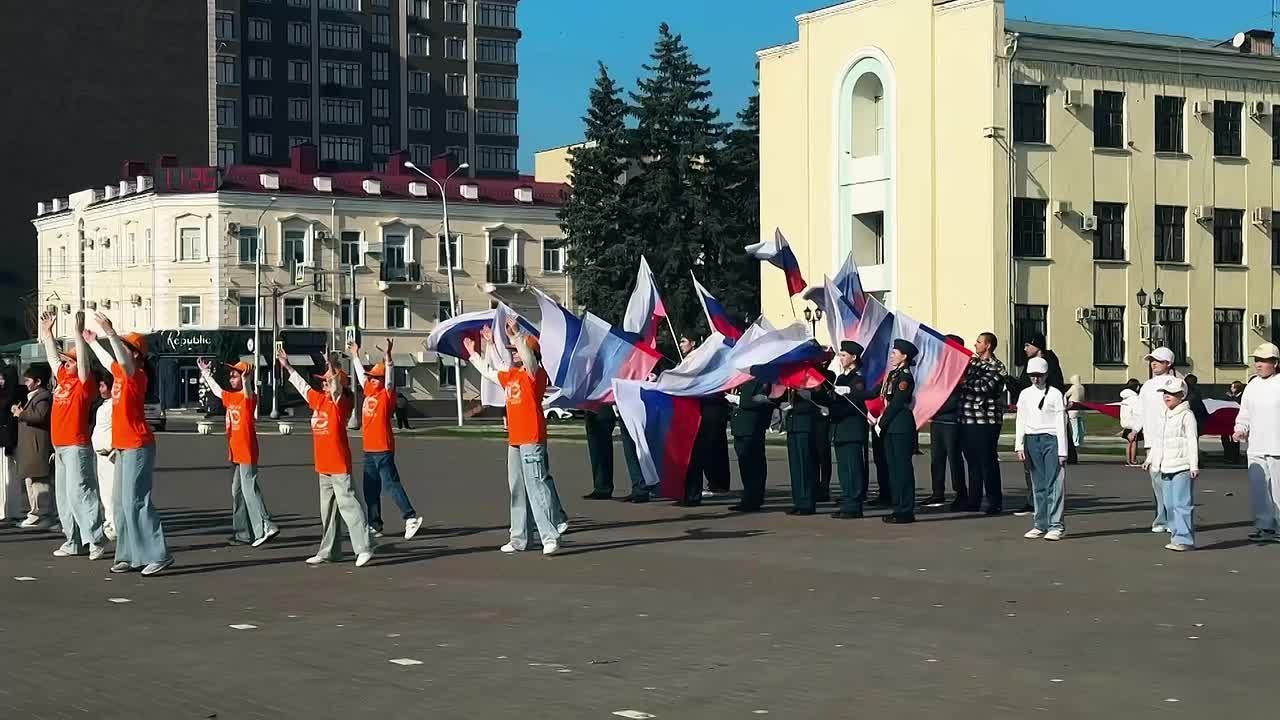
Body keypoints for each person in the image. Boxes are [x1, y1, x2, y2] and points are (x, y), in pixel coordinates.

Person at [87, 312, 173, 576]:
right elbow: (110, 360)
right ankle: (127, 555)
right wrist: (92, 341)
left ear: (136, 354)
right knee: (120, 503)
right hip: (122, 446)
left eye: (126, 347)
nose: (121, 351)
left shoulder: (137, 376)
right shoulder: (120, 375)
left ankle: (158, 554)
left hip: (138, 444)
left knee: (137, 501)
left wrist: (110, 333)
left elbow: (121, 359)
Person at [463, 326, 563, 555]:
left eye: (517, 351)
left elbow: (528, 358)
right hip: (515, 440)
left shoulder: (535, 373)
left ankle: (550, 536)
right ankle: (519, 538)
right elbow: (490, 370)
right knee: (517, 488)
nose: (514, 353)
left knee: (536, 485)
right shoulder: (512, 376)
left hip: (532, 437)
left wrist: (517, 336)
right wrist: (477, 351)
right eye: (513, 351)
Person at [278, 348, 374, 567]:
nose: (323, 384)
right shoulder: (319, 401)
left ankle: (364, 547)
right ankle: (330, 551)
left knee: (349, 506)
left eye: (327, 381)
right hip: (323, 465)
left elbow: (338, 389)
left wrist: (332, 367)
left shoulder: (340, 404)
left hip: (339, 464)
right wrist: (288, 366)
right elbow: (303, 387)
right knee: (327, 512)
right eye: (322, 382)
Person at [41, 311, 106, 559]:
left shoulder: (83, 383)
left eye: (68, 361)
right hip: (59, 446)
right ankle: (73, 541)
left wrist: (78, 335)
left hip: (77, 446)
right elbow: (51, 358)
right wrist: (48, 334)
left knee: (81, 493)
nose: (64, 363)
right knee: (65, 497)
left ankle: (96, 540)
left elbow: (83, 364)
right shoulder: (62, 381)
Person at [198, 357, 280, 548]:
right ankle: (243, 533)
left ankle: (266, 526)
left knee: (249, 488)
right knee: (237, 492)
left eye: (234, 375)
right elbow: (218, 391)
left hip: (246, 451)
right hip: (234, 452)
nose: (231, 378)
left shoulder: (248, 398)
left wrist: (246, 380)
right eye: (231, 375)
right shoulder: (231, 397)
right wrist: (206, 374)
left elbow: (249, 392)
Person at [349, 339, 423, 541]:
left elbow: (390, 378)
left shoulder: (386, 395)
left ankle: (410, 517)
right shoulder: (368, 391)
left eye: (374, 378)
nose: (371, 379)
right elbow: (358, 372)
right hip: (368, 450)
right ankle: (375, 524)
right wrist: (355, 354)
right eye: (370, 377)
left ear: (381, 381)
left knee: (390, 484)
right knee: (370, 488)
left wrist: (388, 357)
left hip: (383, 448)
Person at [1014, 333, 1071, 511]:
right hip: (1032, 430)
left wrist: (1063, 450)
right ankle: (1035, 506)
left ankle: (1054, 519)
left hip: (1049, 430)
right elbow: (1021, 410)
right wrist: (1019, 443)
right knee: (1033, 473)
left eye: (1027, 345)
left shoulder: (1051, 365)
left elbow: (1057, 390)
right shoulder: (1027, 373)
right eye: (1033, 375)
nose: (1024, 349)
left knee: (1052, 475)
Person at [1232, 343, 1280, 544]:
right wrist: (1240, 428)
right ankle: (1264, 525)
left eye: (1264, 361)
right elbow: (1245, 413)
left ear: (1275, 363)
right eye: (1257, 361)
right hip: (1256, 446)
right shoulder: (1252, 385)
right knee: (1259, 488)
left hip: (1277, 445)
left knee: (1278, 490)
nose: (1259, 365)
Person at [1145, 376, 1199, 551]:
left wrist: (1194, 465)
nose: (1167, 396)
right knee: (1169, 504)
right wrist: (1150, 459)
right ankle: (1175, 535)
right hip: (1165, 466)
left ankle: (1184, 539)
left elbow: (1192, 441)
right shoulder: (1164, 414)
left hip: (1182, 466)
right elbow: (1158, 440)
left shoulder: (1187, 415)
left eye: (1172, 393)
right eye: (1165, 393)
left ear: (1182, 395)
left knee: (1181, 503)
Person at [829, 341, 878, 518]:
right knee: (843, 469)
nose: (841, 358)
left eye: (843, 355)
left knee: (853, 468)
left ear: (854, 357)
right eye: (840, 355)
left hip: (852, 428)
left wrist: (847, 392)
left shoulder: (858, 379)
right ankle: (847, 500)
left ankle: (854, 505)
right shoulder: (841, 378)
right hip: (840, 428)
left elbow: (856, 402)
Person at [959, 332, 1006, 514]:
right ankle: (974, 499)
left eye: (978, 342)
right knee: (972, 461)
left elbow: (984, 388)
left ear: (988, 345)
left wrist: (964, 381)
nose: (975, 344)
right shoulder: (972, 363)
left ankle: (994, 501)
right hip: (967, 418)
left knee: (987, 461)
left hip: (986, 420)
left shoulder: (997, 367)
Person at [1132, 347, 1178, 534]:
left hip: (1171, 439)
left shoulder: (1176, 383)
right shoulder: (1147, 386)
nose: (1153, 363)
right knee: (1157, 481)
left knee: (1171, 480)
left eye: (1158, 360)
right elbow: (1141, 410)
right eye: (1152, 360)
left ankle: (1173, 519)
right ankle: (1162, 518)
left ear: (1168, 363)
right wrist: (1135, 429)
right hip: (1152, 440)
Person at [924, 334, 965, 509]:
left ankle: (961, 493)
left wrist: (936, 407)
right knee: (937, 458)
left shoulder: (960, 369)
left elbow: (956, 398)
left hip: (951, 420)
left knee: (954, 458)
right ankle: (937, 492)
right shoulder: (940, 367)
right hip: (937, 420)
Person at [880, 339, 919, 523]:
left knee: (902, 469)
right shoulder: (893, 375)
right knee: (893, 469)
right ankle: (897, 507)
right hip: (891, 427)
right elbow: (883, 397)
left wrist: (882, 421)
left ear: (904, 356)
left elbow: (896, 404)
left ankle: (906, 510)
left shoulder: (905, 377)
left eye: (895, 352)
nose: (892, 355)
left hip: (901, 426)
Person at [783, 368, 832, 516]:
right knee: (796, 466)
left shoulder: (812, 374)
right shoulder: (792, 375)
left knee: (805, 465)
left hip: (805, 423)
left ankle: (807, 503)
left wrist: (810, 394)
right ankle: (798, 501)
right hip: (793, 423)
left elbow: (823, 395)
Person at [14, 363, 55, 531]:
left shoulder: (43, 396)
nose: (25, 382)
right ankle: (35, 513)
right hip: (31, 446)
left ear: (38, 381)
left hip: (37, 446)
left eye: (28, 379)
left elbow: (40, 416)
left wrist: (21, 414)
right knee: (31, 481)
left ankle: (42, 515)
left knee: (39, 482)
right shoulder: (34, 396)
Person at [727, 378, 775, 513]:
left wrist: (737, 400)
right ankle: (748, 498)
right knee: (745, 465)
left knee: (753, 465)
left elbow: (760, 401)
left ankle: (753, 499)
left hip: (751, 427)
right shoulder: (744, 380)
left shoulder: (760, 380)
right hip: (741, 426)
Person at [91, 370, 116, 541]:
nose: (100, 389)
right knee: (105, 492)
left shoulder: (115, 404)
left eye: (102, 385)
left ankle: (114, 524)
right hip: (100, 454)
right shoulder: (103, 405)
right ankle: (110, 521)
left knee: (112, 492)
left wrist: (113, 448)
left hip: (110, 454)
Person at [0, 362, 27, 524]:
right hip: (7, 438)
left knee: (11, 476)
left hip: (11, 439)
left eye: (3, 378)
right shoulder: (15, 392)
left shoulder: (16, 393)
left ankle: (11, 510)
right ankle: (6, 510)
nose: (1, 381)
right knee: (6, 477)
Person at [582, 406, 618, 500]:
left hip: (604, 406)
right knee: (595, 450)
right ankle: (600, 486)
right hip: (591, 408)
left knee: (603, 447)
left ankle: (604, 487)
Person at [1119, 379, 1142, 467]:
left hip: (1125, 422)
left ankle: (1128, 460)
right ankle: (1133, 460)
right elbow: (1137, 411)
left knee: (1129, 443)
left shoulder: (1125, 398)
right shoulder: (1135, 398)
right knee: (1134, 442)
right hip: (1132, 423)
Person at [1222, 380, 1246, 465]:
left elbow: (1236, 405)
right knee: (1225, 438)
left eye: (1232, 387)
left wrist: (1231, 398)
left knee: (1234, 439)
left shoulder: (1242, 397)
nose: (1231, 388)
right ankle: (1228, 455)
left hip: (1235, 421)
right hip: (1227, 421)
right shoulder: (1229, 396)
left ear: (1237, 388)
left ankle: (1234, 457)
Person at [1065, 374, 1086, 449]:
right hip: (1081, 408)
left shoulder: (1074, 387)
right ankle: (1081, 441)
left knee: (1075, 427)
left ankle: (1075, 441)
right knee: (1081, 426)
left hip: (1073, 409)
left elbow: (1066, 394)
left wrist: (1065, 403)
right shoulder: (1082, 387)